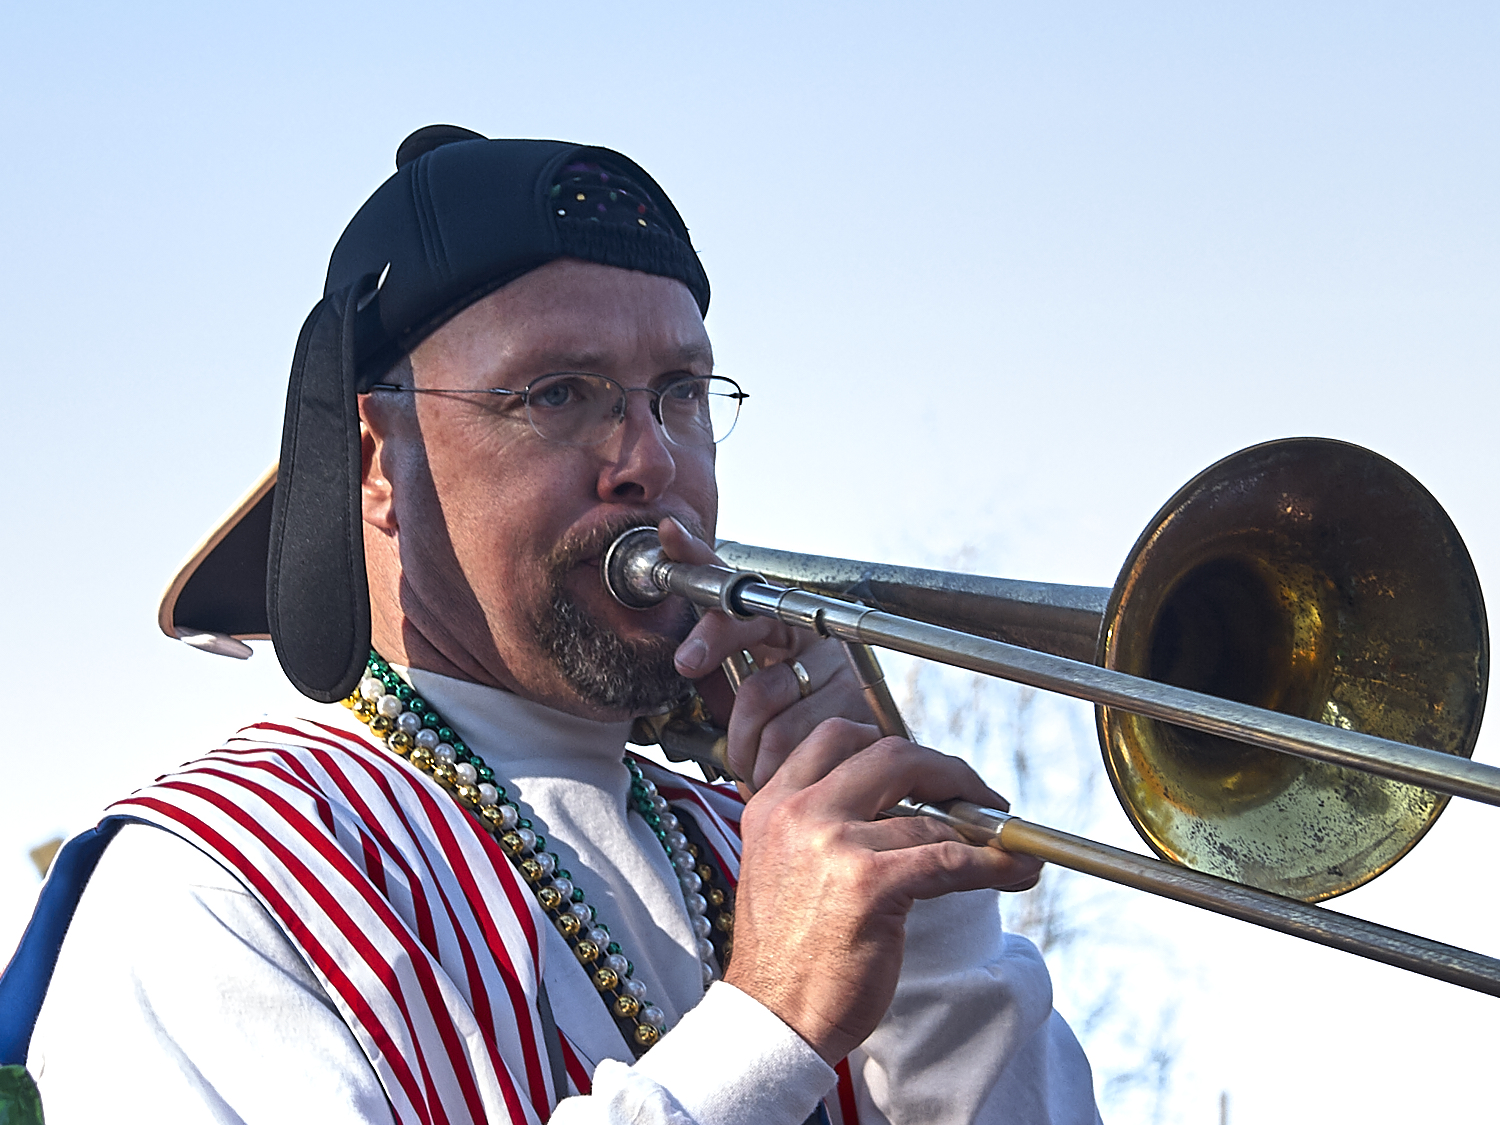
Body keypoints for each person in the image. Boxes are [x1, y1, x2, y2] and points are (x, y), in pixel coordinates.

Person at [0, 126, 1101, 1125]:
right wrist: (764, 1030)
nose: (653, 460)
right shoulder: (210, 883)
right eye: (559, 395)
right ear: (379, 461)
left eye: (679, 392)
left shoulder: (751, 841)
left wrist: (927, 920)